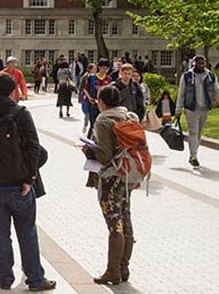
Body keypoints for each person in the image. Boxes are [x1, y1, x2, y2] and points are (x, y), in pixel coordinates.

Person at [0, 73, 57, 292]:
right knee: (26, 232)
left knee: (0, 233)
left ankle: (5, 277)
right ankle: (35, 279)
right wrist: (30, 178)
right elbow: (34, 147)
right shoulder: (20, 114)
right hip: (20, 185)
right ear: (12, 90)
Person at [85, 86, 137, 285]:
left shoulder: (103, 120)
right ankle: (124, 267)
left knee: (114, 222)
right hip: (128, 175)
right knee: (126, 217)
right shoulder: (128, 115)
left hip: (112, 177)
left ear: (102, 102)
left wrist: (89, 150)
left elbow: (105, 156)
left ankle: (112, 271)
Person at [175, 55, 219, 168]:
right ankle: (193, 156)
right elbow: (181, 94)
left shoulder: (210, 76)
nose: (201, 66)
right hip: (191, 108)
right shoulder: (186, 77)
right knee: (193, 131)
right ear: (194, 64)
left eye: (203, 63)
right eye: (199, 63)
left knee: (199, 133)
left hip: (204, 108)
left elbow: (217, 90)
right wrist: (178, 109)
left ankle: (194, 153)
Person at [81, 59, 113, 134]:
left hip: (104, 105)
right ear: (99, 67)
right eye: (103, 68)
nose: (105, 70)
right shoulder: (92, 77)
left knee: (103, 124)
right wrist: (89, 98)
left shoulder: (109, 79)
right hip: (93, 104)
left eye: (107, 69)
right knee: (93, 124)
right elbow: (85, 89)